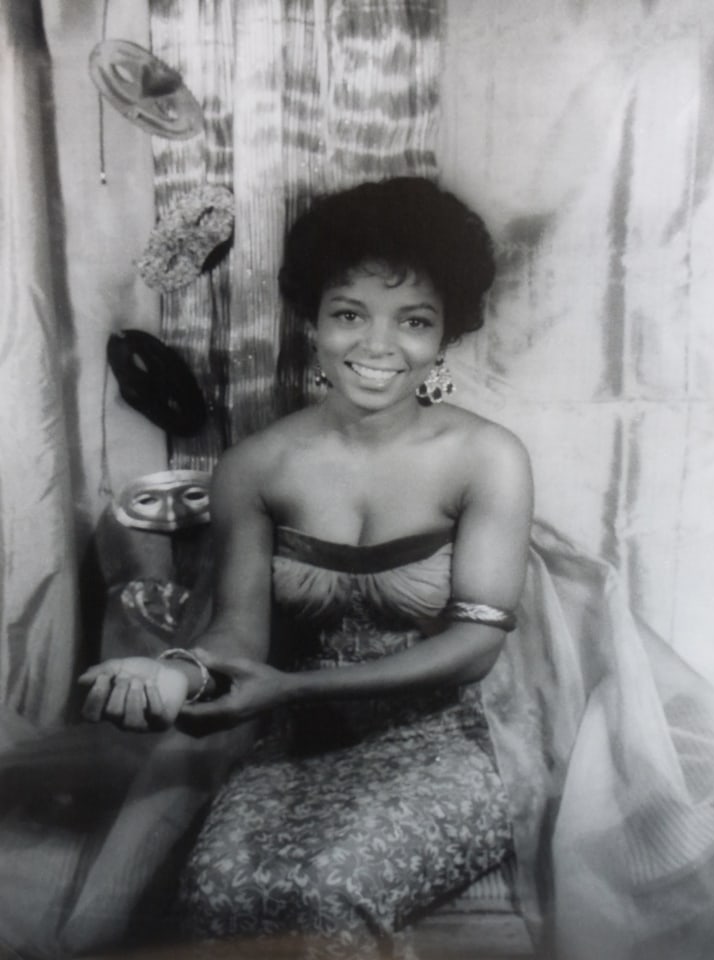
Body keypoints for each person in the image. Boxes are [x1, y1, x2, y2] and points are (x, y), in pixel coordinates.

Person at [78, 177, 533, 959]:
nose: (378, 347)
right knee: (218, 893)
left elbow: (476, 647)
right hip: (292, 739)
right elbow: (236, 637)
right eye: (350, 314)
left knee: (326, 889)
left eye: (414, 322)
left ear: (446, 334)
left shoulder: (487, 457)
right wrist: (173, 674)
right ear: (312, 320)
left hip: (444, 741)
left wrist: (295, 686)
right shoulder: (256, 466)